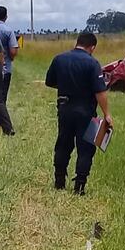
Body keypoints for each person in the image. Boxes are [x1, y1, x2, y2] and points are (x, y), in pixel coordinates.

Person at [45, 32, 113, 195]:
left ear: (78, 43)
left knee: (63, 144)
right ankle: (79, 186)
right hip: (86, 111)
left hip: (64, 108)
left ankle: (59, 181)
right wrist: (107, 114)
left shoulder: (59, 59)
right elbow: (100, 91)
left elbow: (50, 82)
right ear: (92, 47)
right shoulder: (92, 63)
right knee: (86, 148)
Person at [0, 5, 19, 127]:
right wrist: (11, 58)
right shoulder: (8, 31)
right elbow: (13, 51)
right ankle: (1, 124)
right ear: (6, 17)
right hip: (4, 69)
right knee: (1, 98)